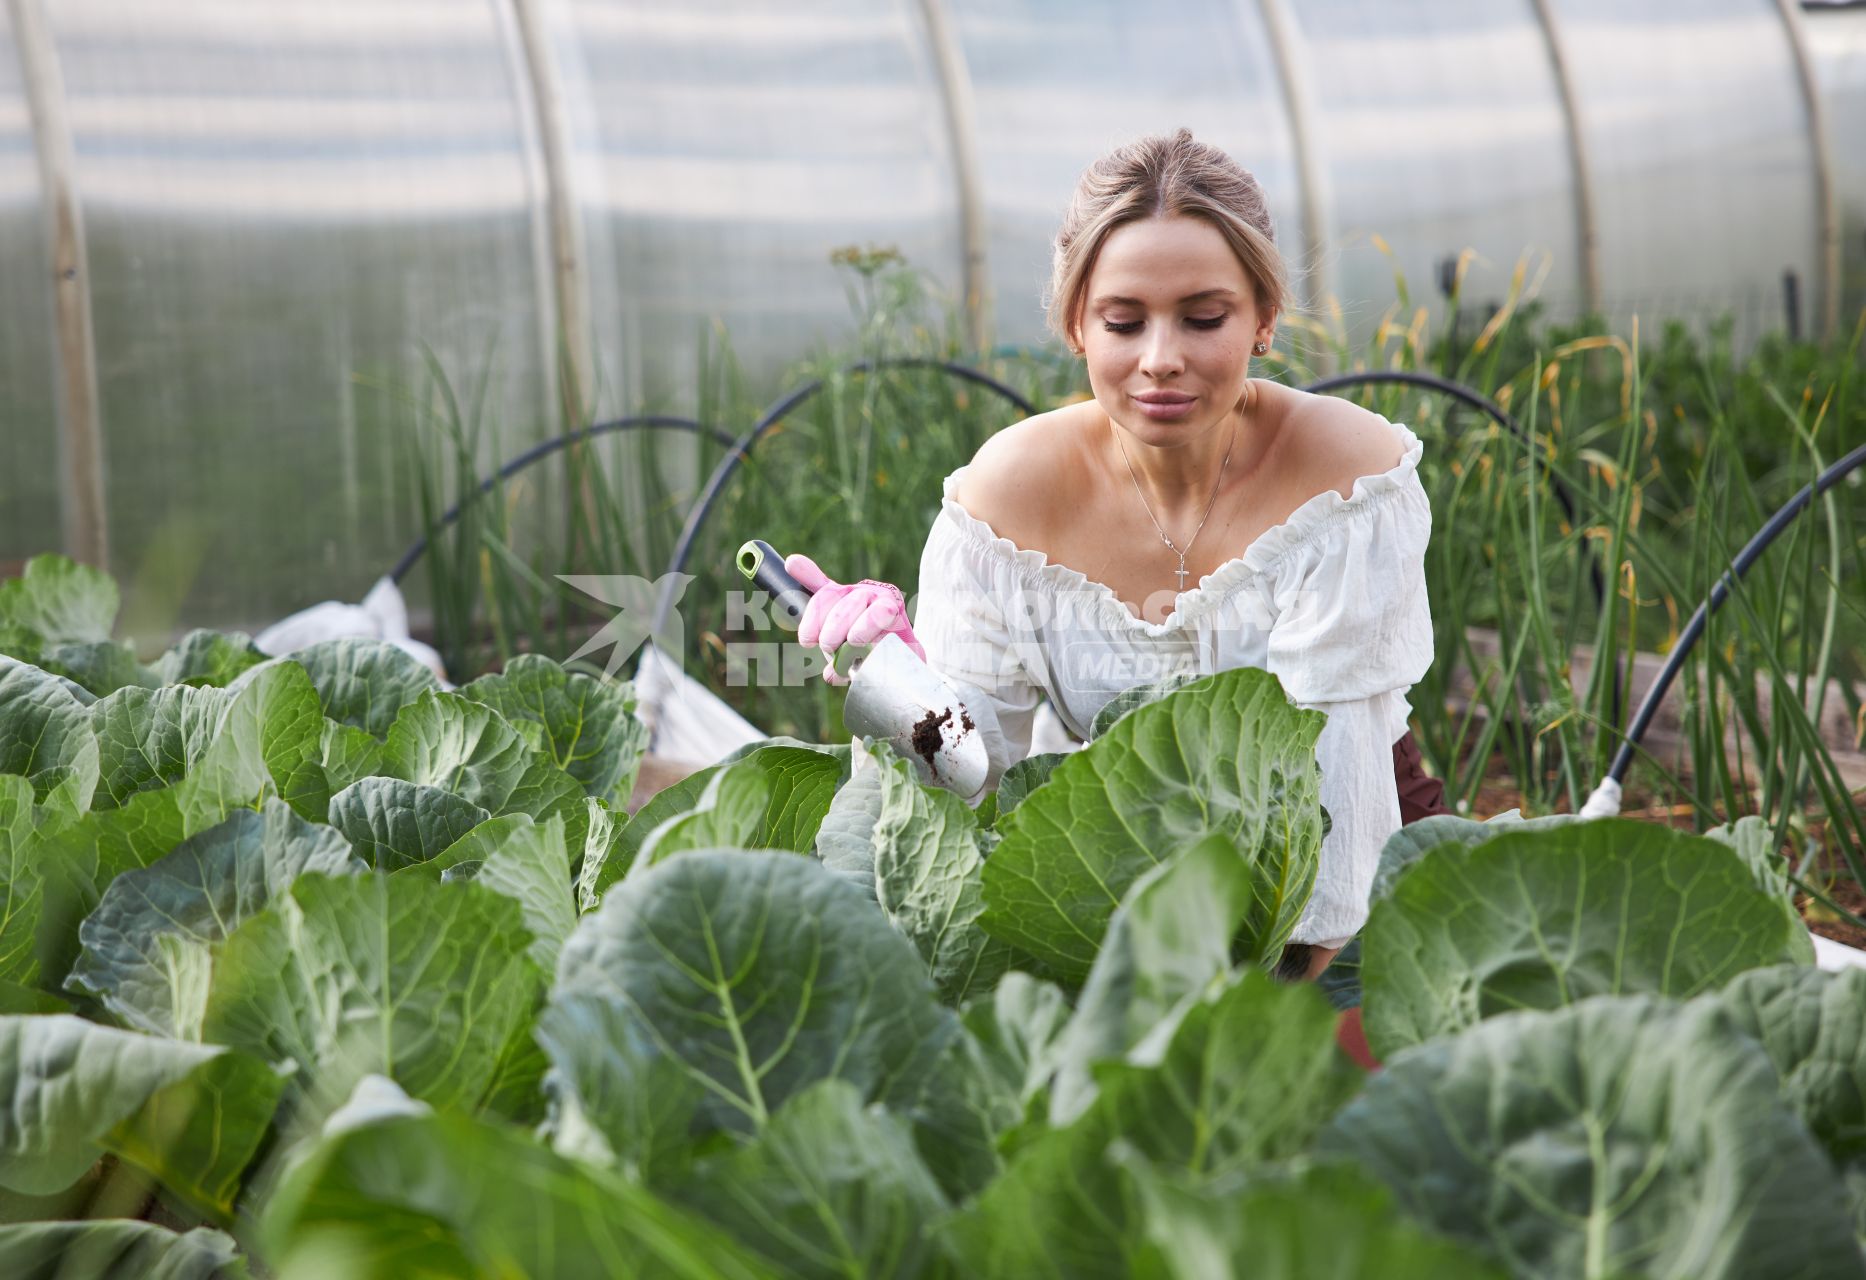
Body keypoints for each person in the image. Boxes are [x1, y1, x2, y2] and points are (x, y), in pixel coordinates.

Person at [786, 128, 1448, 981]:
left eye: (1204, 318)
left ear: (1264, 321)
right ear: (1075, 326)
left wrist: (1268, 1022)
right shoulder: (1007, 495)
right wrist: (898, 680)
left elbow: (1338, 808)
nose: (1161, 359)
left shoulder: (1349, 479)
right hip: (1117, 894)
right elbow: (978, 771)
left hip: (1344, 885)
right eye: (1124, 322)